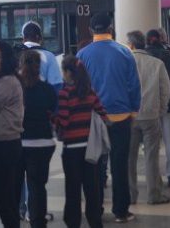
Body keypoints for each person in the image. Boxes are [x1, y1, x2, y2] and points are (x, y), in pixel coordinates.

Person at [76, 12, 140, 223]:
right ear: (111, 28)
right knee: (119, 165)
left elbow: (78, 88)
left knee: (94, 166)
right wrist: (133, 111)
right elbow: (133, 85)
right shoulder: (124, 52)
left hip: (93, 119)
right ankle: (121, 211)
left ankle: (96, 210)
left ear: (91, 30)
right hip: (121, 117)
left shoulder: (82, 56)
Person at [19, 21, 63, 221]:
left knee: (20, 175)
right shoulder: (50, 57)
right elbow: (56, 89)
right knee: (37, 180)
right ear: (40, 38)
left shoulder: (14, 54)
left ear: (23, 38)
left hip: (18, 131)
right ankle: (35, 211)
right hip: (42, 130)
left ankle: (22, 207)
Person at [56, 56, 106, 228]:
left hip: (71, 149)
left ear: (69, 72)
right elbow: (102, 113)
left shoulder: (65, 94)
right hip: (89, 148)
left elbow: (64, 120)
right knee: (91, 189)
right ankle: (95, 221)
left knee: (73, 189)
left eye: (63, 71)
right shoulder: (90, 92)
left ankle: (73, 222)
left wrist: (53, 119)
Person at [126, 31, 170, 206]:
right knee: (151, 157)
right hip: (151, 115)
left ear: (130, 44)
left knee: (129, 157)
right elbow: (165, 89)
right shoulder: (157, 63)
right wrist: (161, 110)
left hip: (129, 116)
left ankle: (131, 195)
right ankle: (154, 195)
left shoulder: (125, 62)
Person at [0, 41, 24, 228]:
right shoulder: (1, 80)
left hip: (7, 145)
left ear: (6, 59)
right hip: (3, 144)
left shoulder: (7, 82)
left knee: (3, 199)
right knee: (5, 199)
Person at [146, 29, 170, 187]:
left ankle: (153, 177)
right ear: (161, 39)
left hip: (150, 104)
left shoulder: (143, 57)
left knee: (151, 144)